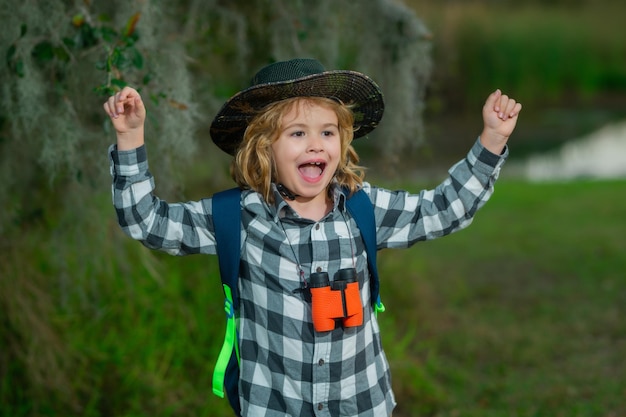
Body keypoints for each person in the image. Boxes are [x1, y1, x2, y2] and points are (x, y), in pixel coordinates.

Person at [104, 58, 521, 417]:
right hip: (273, 404)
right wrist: (129, 140)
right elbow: (148, 222)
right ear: (263, 147)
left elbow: (443, 209)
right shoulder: (238, 218)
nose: (316, 145)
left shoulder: (363, 209)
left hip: (362, 402)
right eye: (297, 133)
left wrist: (492, 141)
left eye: (327, 132)